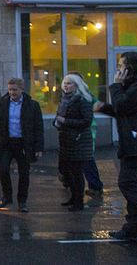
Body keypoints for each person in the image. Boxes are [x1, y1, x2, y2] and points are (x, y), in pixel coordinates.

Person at [95, 52, 137, 243]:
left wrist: (116, 86)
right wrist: (103, 107)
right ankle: (132, 228)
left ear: (130, 68)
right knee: (133, 184)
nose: (118, 69)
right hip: (135, 140)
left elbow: (122, 105)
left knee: (128, 184)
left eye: (120, 65)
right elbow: (124, 110)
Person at [0, 78, 44, 213]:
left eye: (15, 90)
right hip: (7, 142)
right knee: (3, 170)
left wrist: (39, 147)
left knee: (24, 173)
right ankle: (6, 197)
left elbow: (38, 127)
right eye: (10, 90)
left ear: (22, 89)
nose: (12, 93)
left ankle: (22, 201)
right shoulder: (2, 103)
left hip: (23, 143)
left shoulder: (32, 105)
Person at [55, 74, 94, 212]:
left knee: (76, 172)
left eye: (69, 83)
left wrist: (65, 122)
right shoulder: (64, 99)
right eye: (65, 83)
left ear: (77, 85)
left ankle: (78, 201)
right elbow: (59, 116)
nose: (66, 86)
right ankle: (73, 197)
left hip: (78, 141)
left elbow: (86, 121)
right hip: (66, 140)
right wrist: (58, 122)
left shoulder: (82, 100)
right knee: (66, 170)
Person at [67, 72, 105, 198]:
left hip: (85, 132)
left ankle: (95, 186)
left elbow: (97, 105)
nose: (66, 84)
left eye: (70, 82)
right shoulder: (72, 95)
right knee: (82, 158)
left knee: (87, 158)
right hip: (78, 131)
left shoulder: (84, 95)